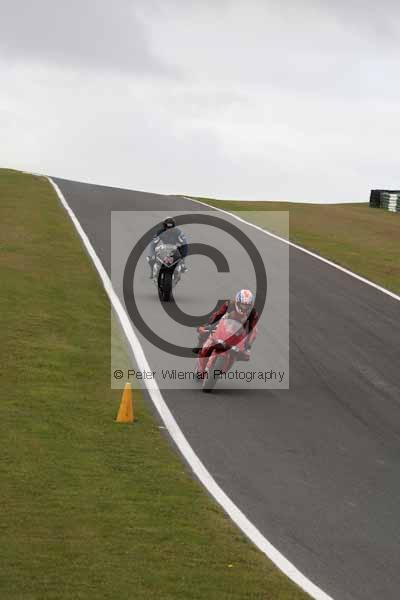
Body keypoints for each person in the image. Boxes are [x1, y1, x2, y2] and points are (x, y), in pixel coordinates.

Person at [194, 289, 259, 354]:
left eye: (247, 305)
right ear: (237, 302)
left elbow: (253, 330)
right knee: (204, 331)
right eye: (242, 305)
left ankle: (246, 349)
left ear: (250, 305)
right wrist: (208, 325)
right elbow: (217, 314)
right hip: (225, 325)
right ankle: (200, 345)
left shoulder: (253, 314)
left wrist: (248, 344)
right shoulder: (229, 304)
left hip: (239, 331)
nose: (244, 308)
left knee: (253, 332)